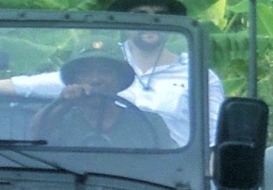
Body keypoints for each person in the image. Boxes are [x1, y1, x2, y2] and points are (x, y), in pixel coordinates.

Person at [0, 0, 224, 146]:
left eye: (159, 14)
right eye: (139, 14)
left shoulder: (199, 76)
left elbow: (214, 141)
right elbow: (44, 84)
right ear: (124, 23)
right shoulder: (104, 65)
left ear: (172, 23)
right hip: (98, 168)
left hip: (172, 175)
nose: (150, 20)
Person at [29, 46, 172, 149]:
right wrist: (65, 104)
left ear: (120, 80)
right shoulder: (62, 120)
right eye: (85, 73)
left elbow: (168, 165)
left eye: (105, 72)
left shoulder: (147, 122)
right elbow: (36, 133)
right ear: (74, 81)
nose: (95, 80)